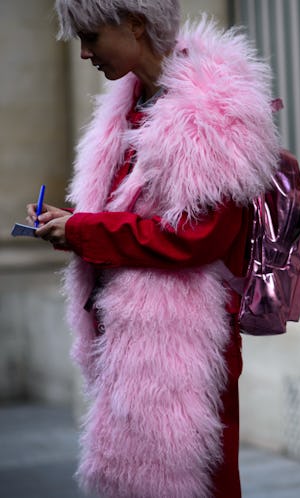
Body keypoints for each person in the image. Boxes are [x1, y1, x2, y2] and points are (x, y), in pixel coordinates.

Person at [27, 1, 280, 496]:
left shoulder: (215, 110)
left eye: (92, 37)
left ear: (136, 25)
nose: (83, 54)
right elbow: (133, 217)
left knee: (194, 481)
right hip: (127, 342)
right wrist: (74, 225)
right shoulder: (132, 101)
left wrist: (86, 232)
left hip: (184, 343)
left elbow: (196, 237)